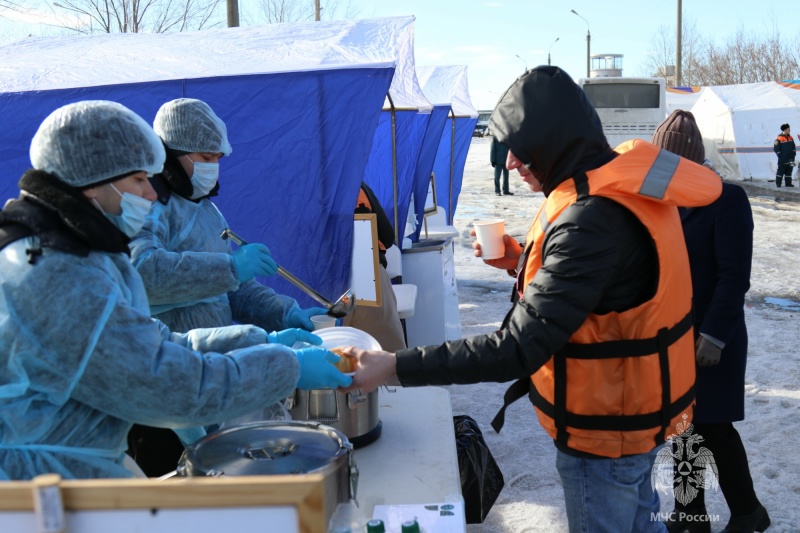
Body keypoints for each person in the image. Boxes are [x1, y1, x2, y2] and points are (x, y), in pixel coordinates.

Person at [343, 66, 723, 533]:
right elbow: (607, 285)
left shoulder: (592, 218)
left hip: (609, 433)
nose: (509, 164)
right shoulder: (621, 184)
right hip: (639, 418)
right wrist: (519, 260)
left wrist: (391, 366)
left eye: (519, 151)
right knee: (642, 520)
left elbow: (516, 348)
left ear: (553, 142)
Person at [0, 100, 351, 480]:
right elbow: (164, 383)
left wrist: (257, 338)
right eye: (137, 180)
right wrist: (287, 367)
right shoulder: (54, 273)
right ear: (91, 183)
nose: (149, 193)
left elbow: (157, 343)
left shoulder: (73, 253)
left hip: (74, 464)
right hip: (36, 489)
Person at [126, 98, 331, 475]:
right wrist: (230, 265)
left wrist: (284, 310)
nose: (213, 167)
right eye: (205, 156)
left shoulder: (206, 210)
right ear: (172, 154)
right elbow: (143, 273)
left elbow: (234, 288)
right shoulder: (151, 207)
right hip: (166, 383)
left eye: (218, 157)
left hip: (216, 373)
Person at [652, 110, 770, 533]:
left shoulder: (726, 198)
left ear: (686, 158)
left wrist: (714, 337)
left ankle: (748, 512)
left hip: (711, 336)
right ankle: (690, 513)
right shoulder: (662, 199)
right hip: (672, 336)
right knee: (683, 426)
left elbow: (734, 275)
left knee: (715, 427)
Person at [342, 182, 407, 352]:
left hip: (317, 288)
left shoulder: (296, 187)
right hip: (366, 277)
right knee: (387, 355)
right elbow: (386, 235)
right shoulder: (355, 185)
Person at [773, 123, 794, 187]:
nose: (789, 130)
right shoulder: (779, 138)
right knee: (780, 171)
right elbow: (776, 148)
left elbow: (793, 146)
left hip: (791, 157)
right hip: (783, 158)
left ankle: (788, 183)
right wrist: (780, 156)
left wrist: (794, 153)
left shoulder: (790, 137)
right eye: (788, 129)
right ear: (784, 130)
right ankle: (778, 183)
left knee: (789, 171)